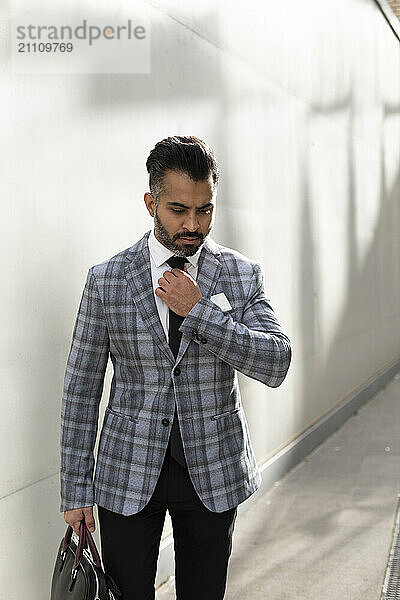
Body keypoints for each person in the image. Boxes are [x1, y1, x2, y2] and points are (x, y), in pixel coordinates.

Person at [60, 135, 292, 599]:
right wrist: (74, 490)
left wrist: (202, 312)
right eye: (178, 209)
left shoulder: (240, 274)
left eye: (205, 210)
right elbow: (81, 390)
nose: (193, 223)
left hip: (213, 467)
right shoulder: (107, 280)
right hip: (127, 470)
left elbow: (275, 360)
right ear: (151, 203)